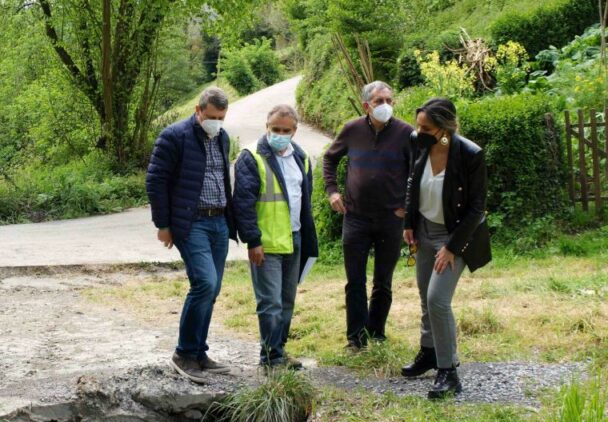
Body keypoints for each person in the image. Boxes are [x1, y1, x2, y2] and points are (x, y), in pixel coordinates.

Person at [401, 97, 491, 399]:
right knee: (425, 297)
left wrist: (452, 248)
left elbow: (477, 207)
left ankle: (449, 372)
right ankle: (429, 352)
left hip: (454, 236)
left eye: (425, 127)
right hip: (423, 230)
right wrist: (409, 223)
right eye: (418, 125)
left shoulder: (470, 154)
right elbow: (413, 182)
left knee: (438, 299)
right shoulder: (420, 143)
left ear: (444, 128)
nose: (418, 131)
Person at [146, 87, 237, 384]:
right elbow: (156, 181)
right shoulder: (174, 136)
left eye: (221, 117)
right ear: (198, 110)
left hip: (219, 222)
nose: (216, 122)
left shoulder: (222, 137)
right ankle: (183, 354)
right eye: (211, 116)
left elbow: (222, 177)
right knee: (204, 283)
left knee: (212, 290)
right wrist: (163, 224)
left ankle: (199, 353)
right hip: (191, 223)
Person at [322, 81, 414, 349]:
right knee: (355, 281)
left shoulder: (406, 133)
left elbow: (417, 172)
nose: (385, 105)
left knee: (383, 281)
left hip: (390, 219)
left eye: (389, 100)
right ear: (366, 105)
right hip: (356, 217)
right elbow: (330, 158)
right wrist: (332, 191)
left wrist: (407, 206)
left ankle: (377, 332)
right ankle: (356, 338)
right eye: (379, 101)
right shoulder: (352, 130)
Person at [233, 104, 318, 369]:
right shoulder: (252, 157)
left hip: (294, 240)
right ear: (266, 127)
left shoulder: (300, 158)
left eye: (285, 130)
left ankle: (278, 351)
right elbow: (243, 204)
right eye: (275, 129)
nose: (279, 134)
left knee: (287, 302)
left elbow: (305, 201)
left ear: (294, 131)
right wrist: (252, 240)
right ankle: (270, 357)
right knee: (270, 303)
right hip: (266, 243)